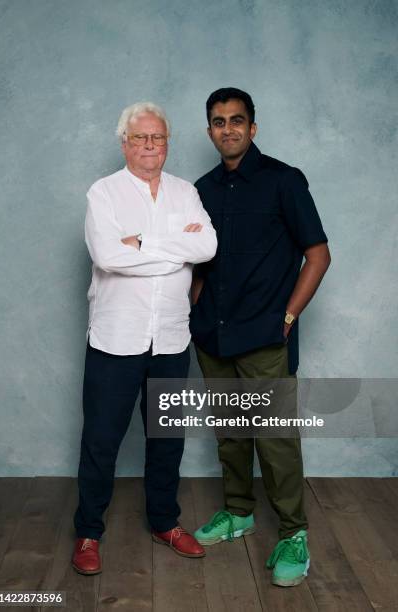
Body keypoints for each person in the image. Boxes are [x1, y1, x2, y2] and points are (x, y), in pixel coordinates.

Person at [190, 88, 331, 587]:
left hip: (265, 337)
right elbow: (201, 265)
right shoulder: (200, 189)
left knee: (275, 440)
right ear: (209, 131)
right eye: (218, 121)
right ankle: (239, 512)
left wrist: (288, 317)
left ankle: (293, 532)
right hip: (214, 337)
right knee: (230, 436)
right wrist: (191, 312)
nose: (227, 128)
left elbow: (318, 255)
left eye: (236, 120)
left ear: (253, 127)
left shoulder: (283, 181)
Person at [72, 102, 217, 575]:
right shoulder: (104, 193)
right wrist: (174, 249)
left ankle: (165, 522)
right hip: (116, 339)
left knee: (166, 437)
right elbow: (108, 256)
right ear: (124, 143)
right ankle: (89, 532)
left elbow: (207, 247)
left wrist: (143, 243)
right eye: (140, 138)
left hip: (172, 338)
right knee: (101, 439)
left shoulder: (186, 192)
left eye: (157, 137)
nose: (150, 145)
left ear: (167, 142)